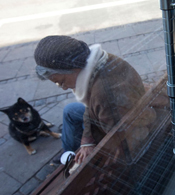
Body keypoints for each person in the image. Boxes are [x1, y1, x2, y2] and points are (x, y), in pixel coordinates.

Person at [34, 35, 151, 164]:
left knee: (70, 113)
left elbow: (118, 140)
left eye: (61, 82)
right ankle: (68, 153)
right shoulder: (102, 61)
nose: (63, 88)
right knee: (70, 110)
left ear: (73, 68)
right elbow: (90, 106)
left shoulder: (103, 95)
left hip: (127, 128)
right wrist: (86, 141)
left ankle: (69, 158)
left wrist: (90, 150)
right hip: (120, 117)